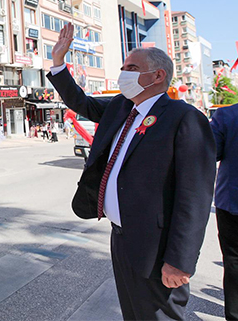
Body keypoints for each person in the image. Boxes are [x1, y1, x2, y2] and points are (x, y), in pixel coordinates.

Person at [47, 23, 215, 320]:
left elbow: (195, 198)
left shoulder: (184, 118)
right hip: (122, 238)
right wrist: (58, 63)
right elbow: (80, 101)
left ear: (157, 75)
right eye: (124, 67)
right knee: (133, 313)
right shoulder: (121, 108)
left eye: (132, 67)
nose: (124, 74)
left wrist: (180, 261)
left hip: (157, 247)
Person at [210, 104, 238, 320]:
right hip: (230, 202)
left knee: (234, 263)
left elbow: (210, 151)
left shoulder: (228, 115)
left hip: (232, 203)